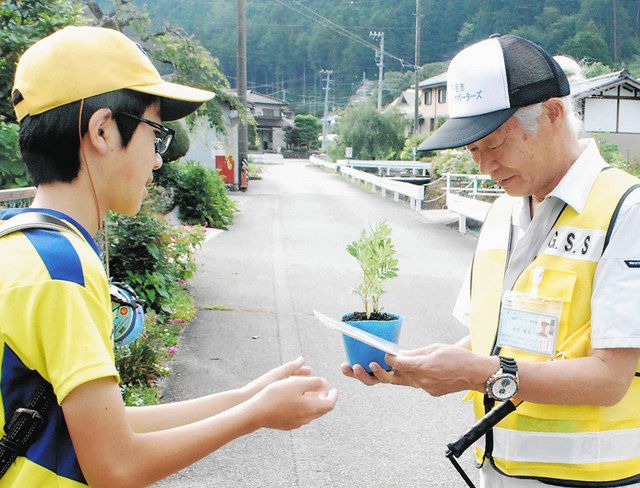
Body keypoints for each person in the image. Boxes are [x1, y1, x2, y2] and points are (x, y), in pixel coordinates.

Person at [0, 26, 338, 487]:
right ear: (102, 130)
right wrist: (253, 416)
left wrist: (246, 397)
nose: (158, 160)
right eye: (154, 135)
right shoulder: (62, 270)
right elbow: (116, 466)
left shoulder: (21, 246)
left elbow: (106, 429)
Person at [343, 34, 640, 487]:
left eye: (494, 145)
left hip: (592, 478)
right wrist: (413, 368)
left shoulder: (627, 210)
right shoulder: (503, 212)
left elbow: (609, 379)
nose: (484, 167)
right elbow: (496, 341)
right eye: (472, 151)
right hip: (497, 471)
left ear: (553, 113)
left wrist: (474, 373)